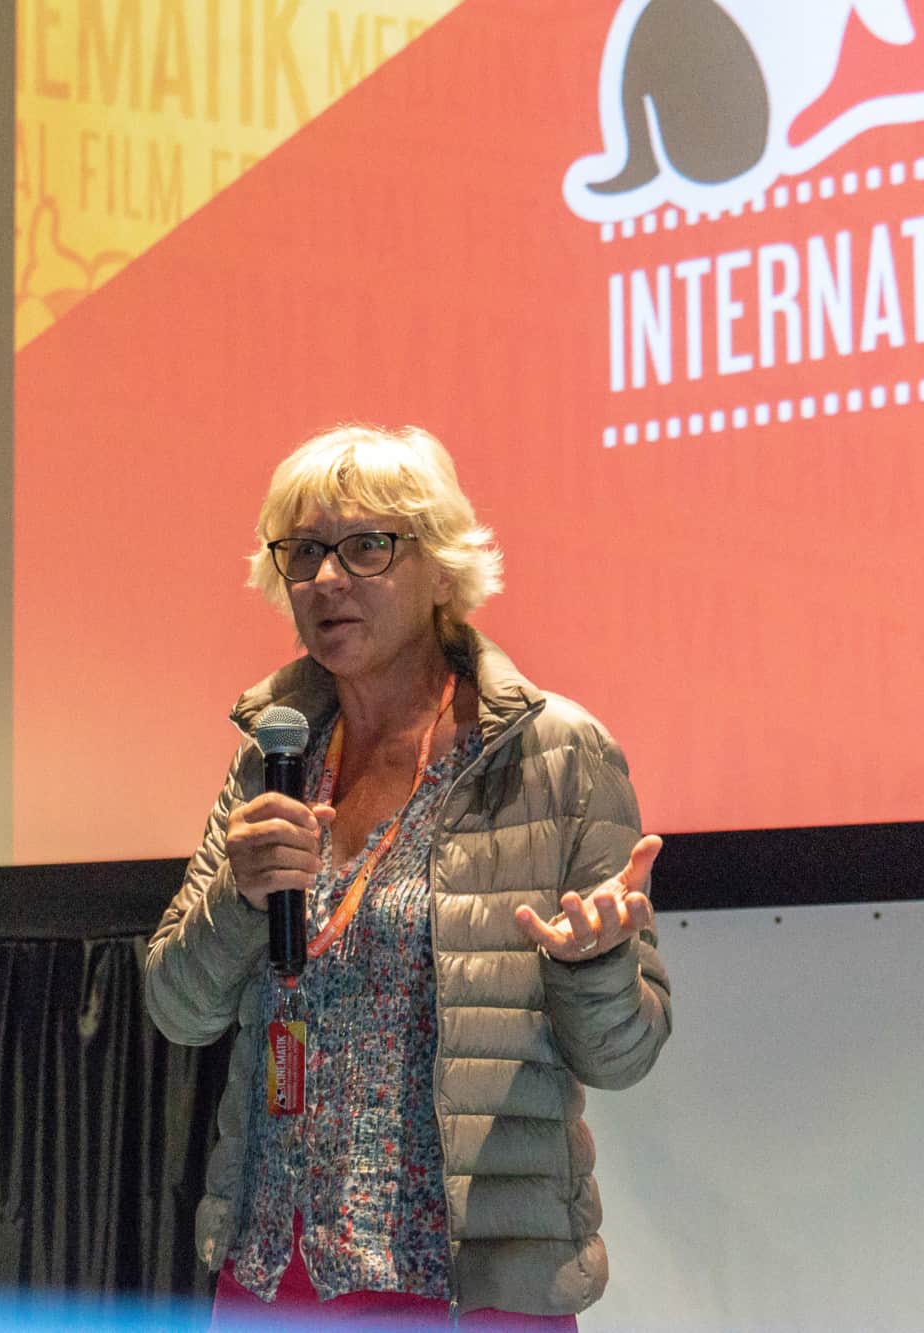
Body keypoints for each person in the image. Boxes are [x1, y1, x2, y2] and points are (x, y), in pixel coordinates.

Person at [144, 426, 672, 1326]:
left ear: (442, 569)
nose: (326, 578)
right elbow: (178, 1008)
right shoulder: (273, 756)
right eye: (303, 551)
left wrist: (593, 963)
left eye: (366, 546)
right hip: (275, 1270)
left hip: (464, 1285)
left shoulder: (554, 754)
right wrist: (240, 898)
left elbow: (624, 1054)